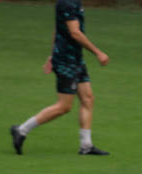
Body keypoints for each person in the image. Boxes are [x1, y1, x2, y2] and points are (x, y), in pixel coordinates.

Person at [9, 0, 110, 156]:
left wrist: (51, 54)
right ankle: (21, 130)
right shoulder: (67, 3)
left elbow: (58, 28)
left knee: (88, 98)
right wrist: (98, 52)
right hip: (66, 61)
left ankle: (86, 146)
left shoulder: (75, 2)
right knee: (64, 106)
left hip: (75, 59)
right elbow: (74, 32)